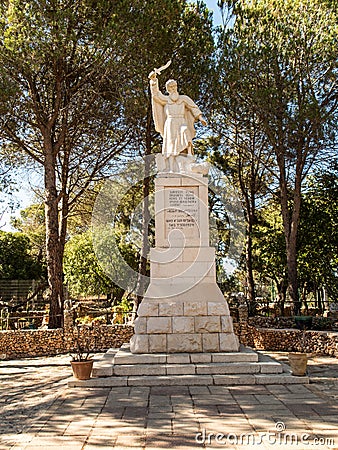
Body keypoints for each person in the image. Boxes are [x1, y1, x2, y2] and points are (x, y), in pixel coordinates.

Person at [149, 71, 207, 172]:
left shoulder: (183, 98)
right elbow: (156, 96)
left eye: (174, 87)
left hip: (181, 121)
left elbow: (193, 107)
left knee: (185, 132)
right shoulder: (166, 99)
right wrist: (154, 81)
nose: (173, 89)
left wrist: (200, 117)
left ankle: (189, 157)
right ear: (168, 90)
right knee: (171, 146)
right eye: (170, 88)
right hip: (170, 123)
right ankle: (171, 168)